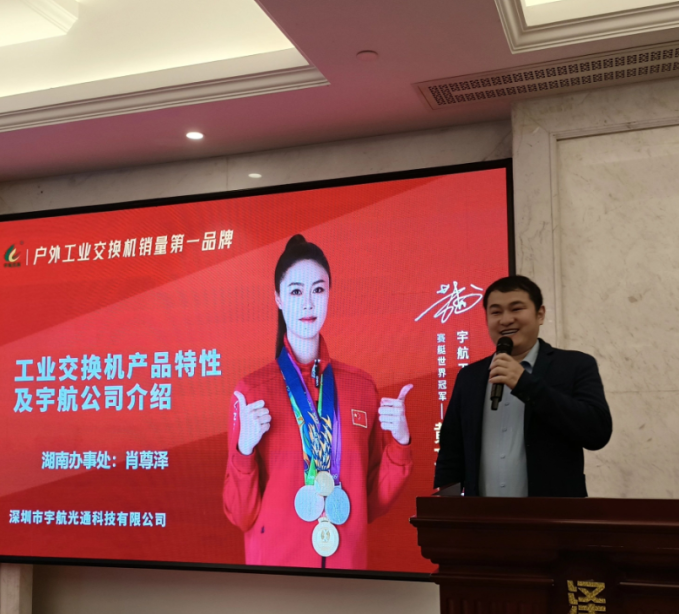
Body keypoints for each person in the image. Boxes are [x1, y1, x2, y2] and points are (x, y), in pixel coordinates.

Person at [223, 235, 414, 569]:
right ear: (278, 298)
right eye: (296, 291)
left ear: (329, 295)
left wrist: (399, 444)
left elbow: (371, 503)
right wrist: (244, 450)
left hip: (345, 568)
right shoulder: (252, 392)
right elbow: (240, 514)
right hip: (277, 574)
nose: (309, 304)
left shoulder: (361, 388)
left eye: (319, 289)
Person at [434, 275, 611, 497]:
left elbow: (597, 432)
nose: (506, 320)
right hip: (482, 515)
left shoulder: (575, 365)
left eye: (516, 309)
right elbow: (451, 450)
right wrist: (447, 509)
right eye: (496, 312)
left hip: (553, 514)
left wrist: (526, 384)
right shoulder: (469, 376)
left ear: (540, 314)